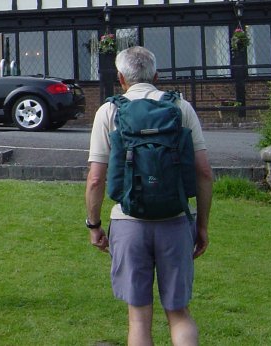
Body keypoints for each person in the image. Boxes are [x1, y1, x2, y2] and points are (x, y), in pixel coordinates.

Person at [85, 46, 213, 346]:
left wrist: (94, 225)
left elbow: (95, 178)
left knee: (139, 319)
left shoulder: (109, 111)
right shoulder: (181, 108)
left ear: (121, 78)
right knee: (179, 312)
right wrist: (201, 225)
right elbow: (205, 173)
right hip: (176, 220)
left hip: (129, 222)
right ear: (156, 76)